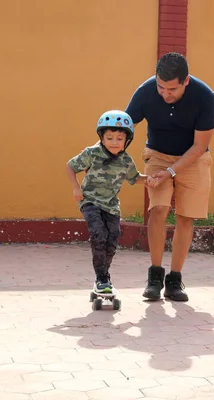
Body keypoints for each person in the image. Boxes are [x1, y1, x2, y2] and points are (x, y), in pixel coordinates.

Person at [125, 52, 214, 302]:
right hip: (157, 154)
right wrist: (101, 154)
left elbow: (199, 146)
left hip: (193, 158)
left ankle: (174, 280)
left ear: (186, 81)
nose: (165, 94)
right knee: (158, 209)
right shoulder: (146, 91)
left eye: (172, 89)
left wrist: (172, 172)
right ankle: (154, 276)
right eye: (161, 87)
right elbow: (124, 126)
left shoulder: (205, 96)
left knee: (186, 217)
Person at [66, 110, 153, 294]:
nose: (114, 142)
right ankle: (102, 278)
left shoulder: (126, 161)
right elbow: (70, 166)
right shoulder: (92, 153)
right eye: (110, 138)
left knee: (112, 240)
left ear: (126, 140)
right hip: (90, 200)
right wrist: (76, 187)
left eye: (119, 138)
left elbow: (134, 178)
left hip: (111, 205)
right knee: (98, 234)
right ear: (102, 138)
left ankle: (103, 275)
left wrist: (151, 179)